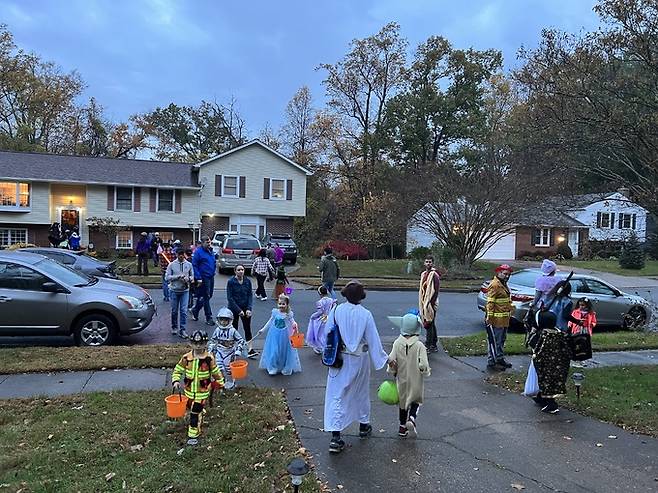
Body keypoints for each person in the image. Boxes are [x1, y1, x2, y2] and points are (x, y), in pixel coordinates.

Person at [323, 280, 388, 454]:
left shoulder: (336, 310)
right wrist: (385, 359)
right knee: (360, 392)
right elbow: (373, 339)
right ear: (361, 296)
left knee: (337, 394)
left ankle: (335, 437)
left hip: (339, 358)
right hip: (360, 359)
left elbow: (327, 333)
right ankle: (363, 425)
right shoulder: (366, 314)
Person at [533, 281, 582, 414]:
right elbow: (566, 316)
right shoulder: (566, 302)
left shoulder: (550, 298)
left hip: (549, 332)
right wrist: (577, 322)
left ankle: (548, 401)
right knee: (547, 376)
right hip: (558, 330)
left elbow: (540, 350)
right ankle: (542, 396)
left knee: (547, 376)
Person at [172, 330, 224, 446]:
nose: (198, 346)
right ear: (191, 343)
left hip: (202, 391)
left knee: (194, 412)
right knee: (190, 407)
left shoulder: (209, 358)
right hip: (189, 391)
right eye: (195, 343)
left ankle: (193, 434)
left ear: (205, 343)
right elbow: (178, 369)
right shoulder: (187, 358)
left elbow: (215, 371)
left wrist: (220, 383)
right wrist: (175, 380)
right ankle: (200, 412)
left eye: (201, 343)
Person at [387, 313, 431, 438]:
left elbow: (391, 359)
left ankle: (402, 428)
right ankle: (411, 419)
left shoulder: (397, 343)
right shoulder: (419, 346)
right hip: (415, 378)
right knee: (416, 400)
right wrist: (425, 372)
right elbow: (423, 363)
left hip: (401, 379)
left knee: (403, 403)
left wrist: (391, 371)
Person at [258, 294, 302, 376]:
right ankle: (272, 367)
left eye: (283, 304)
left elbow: (292, 322)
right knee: (274, 351)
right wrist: (263, 330)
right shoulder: (275, 312)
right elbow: (270, 321)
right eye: (280, 304)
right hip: (274, 335)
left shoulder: (289, 314)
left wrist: (294, 324)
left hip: (284, 336)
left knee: (283, 352)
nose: (281, 306)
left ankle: (284, 367)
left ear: (287, 305)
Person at [208, 307, 246, 390]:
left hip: (229, 352)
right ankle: (221, 382)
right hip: (220, 351)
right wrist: (210, 349)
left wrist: (238, 350)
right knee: (218, 367)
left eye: (225, 320)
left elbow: (241, 341)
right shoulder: (217, 330)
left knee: (228, 369)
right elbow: (212, 340)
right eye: (221, 320)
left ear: (230, 320)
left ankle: (232, 382)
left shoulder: (233, 331)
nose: (223, 322)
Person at [485, 264, 514, 370]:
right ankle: (492, 361)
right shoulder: (495, 285)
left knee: (501, 340)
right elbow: (490, 303)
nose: (507, 276)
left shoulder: (503, 284)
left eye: (509, 274)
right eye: (505, 274)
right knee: (494, 341)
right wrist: (489, 318)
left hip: (504, 319)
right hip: (496, 320)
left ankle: (500, 358)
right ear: (499, 273)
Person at [226, 265, 258, 358]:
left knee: (247, 328)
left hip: (245, 307)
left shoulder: (247, 281)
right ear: (235, 271)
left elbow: (249, 295)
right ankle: (234, 348)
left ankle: (250, 349)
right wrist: (238, 310)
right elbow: (230, 298)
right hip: (234, 308)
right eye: (239, 270)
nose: (241, 271)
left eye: (242, 270)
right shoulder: (231, 282)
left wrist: (249, 309)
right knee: (234, 328)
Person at [166, 248, 194, 338]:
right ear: (176, 255)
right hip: (174, 290)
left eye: (182, 254)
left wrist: (189, 279)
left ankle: (183, 329)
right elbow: (167, 277)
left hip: (185, 291)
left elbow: (192, 277)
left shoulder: (189, 265)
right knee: (174, 310)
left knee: (183, 311)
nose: (181, 256)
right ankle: (174, 327)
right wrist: (177, 277)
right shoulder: (171, 265)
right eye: (179, 254)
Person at [191, 236, 217, 326]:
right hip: (203, 277)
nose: (209, 243)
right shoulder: (198, 252)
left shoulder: (211, 251)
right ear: (202, 243)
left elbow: (213, 262)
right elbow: (194, 265)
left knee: (209, 296)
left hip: (211, 276)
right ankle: (208, 317)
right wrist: (198, 277)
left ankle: (195, 309)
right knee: (206, 296)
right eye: (207, 242)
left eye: (209, 242)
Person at [418, 255, 440, 352]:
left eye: (430, 262)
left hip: (431, 303)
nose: (428, 263)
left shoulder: (434, 275)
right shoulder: (423, 274)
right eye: (427, 262)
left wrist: (430, 304)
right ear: (424, 263)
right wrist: (423, 303)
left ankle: (428, 344)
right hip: (424, 301)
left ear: (433, 263)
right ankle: (434, 344)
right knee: (431, 323)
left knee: (429, 323)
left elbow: (435, 290)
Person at [306, 285, 335, 354]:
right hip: (329, 318)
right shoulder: (331, 301)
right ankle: (327, 346)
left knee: (319, 334)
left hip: (322, 319)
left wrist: (313, 316)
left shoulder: (320, 302)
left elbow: (320, 312)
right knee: (327, 334)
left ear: (320, 293)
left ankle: (320, 347)